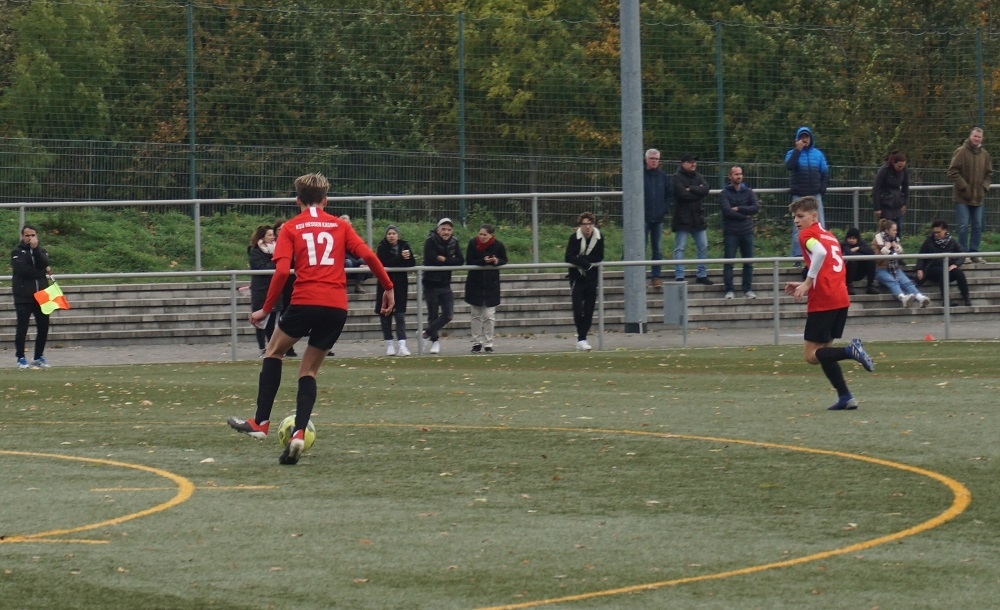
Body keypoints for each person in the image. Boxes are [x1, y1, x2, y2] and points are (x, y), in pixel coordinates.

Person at [227, 173, 394, 465]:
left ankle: (260, 423)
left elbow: (281, 272)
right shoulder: (340, 225)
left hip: (305, 301)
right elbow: (368, 255)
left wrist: (265, 309)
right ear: (326, 200)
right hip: (336, 306)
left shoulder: (291, 227)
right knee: (309, 371)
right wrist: (388, 287)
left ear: (297, 201)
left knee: (273, 351)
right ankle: (299, 433)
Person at [784, 196, 875, 411]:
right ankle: (846, 397)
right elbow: (828, 263)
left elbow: (820, 253)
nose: (796, 221)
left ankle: (850, 351)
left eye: (801, 216)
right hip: (840, 297)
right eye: (794, 217)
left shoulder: (807, 234)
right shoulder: (829, 235)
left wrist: (808, 283)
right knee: (825, 351)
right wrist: (807, 282)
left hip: (824, 299)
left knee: (811, 356)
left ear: (814, 216)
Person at [947, 127, 992, 263]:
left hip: (978, 197)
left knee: (977, 225)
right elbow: (952, 171)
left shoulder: (985, 155)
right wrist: (964, 186)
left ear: (982, 138)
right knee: (963, 226)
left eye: (979, 137)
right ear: (970, 136)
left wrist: (984, 188)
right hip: (962, 197)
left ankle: (974, 253)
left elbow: (989, 173)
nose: (976, 139)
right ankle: (963, 254)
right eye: (974, 136)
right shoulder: (961, 151)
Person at [11, 224, 52, 369]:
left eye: (32, 235)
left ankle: (38, 356)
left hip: (42, 295)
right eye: (27, 235)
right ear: (22, 236)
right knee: (22, 328)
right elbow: (23, 270)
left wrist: (35, 250)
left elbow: (45, 263)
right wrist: (42, 272)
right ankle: (20, 357)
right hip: (24, 296)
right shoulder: (17, 252)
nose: (30, 238)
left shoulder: (41, 251)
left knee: (43, 327)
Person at [785, 126, 829, 260]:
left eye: (807, 136)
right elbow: (789, 166)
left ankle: (821, 253)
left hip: (815, 195)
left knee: (819, 224)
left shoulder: (818, 154)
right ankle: (798, 256)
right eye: (802, 137)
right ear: (797, 139)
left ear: (811, 138)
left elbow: (825, 172)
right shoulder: (792, 153)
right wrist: (797, 151)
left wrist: (822, 188)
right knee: (798, 226)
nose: (805, 139)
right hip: (799, 195)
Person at [422, 217, 464, 354]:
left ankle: (426, 333)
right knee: (433, 314)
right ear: (438, 229)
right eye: (443, 229)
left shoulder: (454, 242)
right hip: (431, 283)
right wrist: (449, 260)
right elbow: (431, 259)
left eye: (449, 230)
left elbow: (460, 261)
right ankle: (435, 341)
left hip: (445, 284)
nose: (446, 232)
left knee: (448, 315)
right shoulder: (430, 241)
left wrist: (445, 259)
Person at [564, 211, 604, 351]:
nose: (587, 227)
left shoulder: (599, 237)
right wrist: (584, 264)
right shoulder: (574, 238)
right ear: (580, 225)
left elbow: (599, 256)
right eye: (584, 224)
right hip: (577, 277)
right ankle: (581, 338)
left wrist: (584, 261)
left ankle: (582, 338)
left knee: (589, 309)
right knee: (577, 309)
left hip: (591, 278)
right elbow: (569, 257)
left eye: (590, 224)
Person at [464, 224, 507, 353]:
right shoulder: (472, 243)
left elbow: (504, 260)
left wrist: (496, 261)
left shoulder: (498, 245)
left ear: (491, 235)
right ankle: (476, 343)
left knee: (489, 315)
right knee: (475, 315)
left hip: (491, 284)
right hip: (475, 283)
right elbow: (469, 261)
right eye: (480, 234)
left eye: (485, 234)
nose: (482, 237)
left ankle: (488, 343)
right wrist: (482, 261)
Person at [719, 165, 760, 299]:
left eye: (740, 174)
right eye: (736, 174)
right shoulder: (724, 193)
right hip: (731, 232)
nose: (739, 176)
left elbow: (755, 208)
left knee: (748, 262)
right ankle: (729, 290)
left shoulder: (748, 191)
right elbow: (727, 211)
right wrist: (745, 215)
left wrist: (739, 208)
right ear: (730, 176)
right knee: (729, 262)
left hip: (747, 231)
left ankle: (747, 289)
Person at [671, 154, 712, 285]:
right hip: (682, 218)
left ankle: (702, 274)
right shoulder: (676, 177)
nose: (693, 164)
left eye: (694, 161)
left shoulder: (698, 176)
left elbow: (706, 189)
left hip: (697, 218)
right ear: (683, 163)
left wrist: (692, 189)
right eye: (690, 162)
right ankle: (679, 275)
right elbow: (682, 195)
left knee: (703, 246)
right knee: (680, 247)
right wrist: (698, 193)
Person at [375, 225, 416, 356]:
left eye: (394, 233)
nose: (391, 236)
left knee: (400, 315)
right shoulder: (382, 247)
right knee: (385, 315)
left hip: (401, 284)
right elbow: (384, 263)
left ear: (398, 235)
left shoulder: (404, 245)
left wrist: (405, 258)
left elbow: (411, 263)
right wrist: (400, 258)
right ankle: (389, 344)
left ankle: (402, 344)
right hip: (385, 285)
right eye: (389, 234)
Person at [872, 218, 930, 308]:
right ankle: (903, 298)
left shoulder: (895, 240)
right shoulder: (876, 241)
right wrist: (886, 249)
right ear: (887, 231)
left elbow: (901, 256)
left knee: (907, 282)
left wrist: (898, 248)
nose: (896, 232)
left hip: (895, 268)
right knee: (892, 282)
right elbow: (876, 259)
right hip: (881, 269)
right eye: (894, 230)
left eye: (896, 230)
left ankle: (920, 298)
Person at [915, 219, 972, 307]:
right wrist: (919, 269)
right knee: (943, 272)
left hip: (947, 267)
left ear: (945, 230)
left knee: (959, 273)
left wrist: (955, 264)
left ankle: (966, 297)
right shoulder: (928, 241)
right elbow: (921, 256)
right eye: (934, 232)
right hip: (932, 268)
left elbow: (961, 255)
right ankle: (946, 300)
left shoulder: (951, 241)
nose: (936, 234)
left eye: (938, 232)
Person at [643, 148, 671, 287]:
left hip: (658, 218)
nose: (654, 161)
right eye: (652, 158)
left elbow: (668, 195)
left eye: (656, 159)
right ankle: (638, 276)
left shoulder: (662, 176)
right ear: (646, 159)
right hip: (642, 218)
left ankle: (655, 276)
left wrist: (664, 210)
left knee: (657, 249)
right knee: (640, 248)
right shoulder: (640, 175)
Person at [247, 225, 276, 356]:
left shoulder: (276, 249)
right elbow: (262, 268)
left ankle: (271, 347)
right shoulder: (255, 251)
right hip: (260, 289)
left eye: (273, 235)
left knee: (272, 320)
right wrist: (274, 259)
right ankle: (262, 347)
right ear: (262, 237)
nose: (272, 237)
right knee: (260, 321)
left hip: (273, 288)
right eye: (269, 235)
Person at [273, 219, 298, 358]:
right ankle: (282, 346)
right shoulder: (273, 246)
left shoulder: (294, 243)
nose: (282, 231)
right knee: (282, 313)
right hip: (281, 281)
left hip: (292, 282)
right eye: (279, 229)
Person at [872, 151, 909, 239]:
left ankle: (897, 245)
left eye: (903, 166)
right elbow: (876, 189)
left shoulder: (904, 170)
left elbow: (905, 186)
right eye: (899, 166)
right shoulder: (884, 170)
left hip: (897, 204)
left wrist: (905, 203)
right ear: (893, 163)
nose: (901, 168)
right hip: (886, 204)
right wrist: (877, 208)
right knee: (887, 230)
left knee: (898, 229)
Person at [840, 227, 877, 296]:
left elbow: (871, 252)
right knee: (852, 261)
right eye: (849, 238)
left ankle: (870, 286)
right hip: (848, 273)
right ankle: (848, 286)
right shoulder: (844, 244)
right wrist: (862, 255)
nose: (851, 240)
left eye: (854, 238)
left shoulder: (861, 243)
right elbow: (849, 254)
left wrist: (858, 248)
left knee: (871, 261)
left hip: (860, 272)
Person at [339, 214, 371, 293]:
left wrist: (363, 262)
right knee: (348, 262)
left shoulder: (354, 236)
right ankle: (344, 285)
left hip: (354, 260)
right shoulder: (336, 237)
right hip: (342, 261)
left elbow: (360, 249)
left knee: (362, 261)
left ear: (350, 224)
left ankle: (358, 285)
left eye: (346, 223)